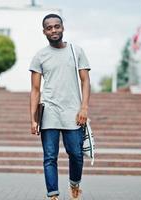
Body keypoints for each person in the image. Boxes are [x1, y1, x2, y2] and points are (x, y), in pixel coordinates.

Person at [29, 13, 91, 200]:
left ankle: (74, 184)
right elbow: (35, 89)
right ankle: (53, 195)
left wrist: (84, 108)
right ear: (44, 31)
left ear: (62, 27)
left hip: (73, 112)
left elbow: (85, 81)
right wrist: (33, 119)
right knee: (50, 157)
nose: (53, 30)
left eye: (57, 26)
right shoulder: (40, 56)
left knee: (76, 154)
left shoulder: (76, 51)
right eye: (49, 28)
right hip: (49, 112)